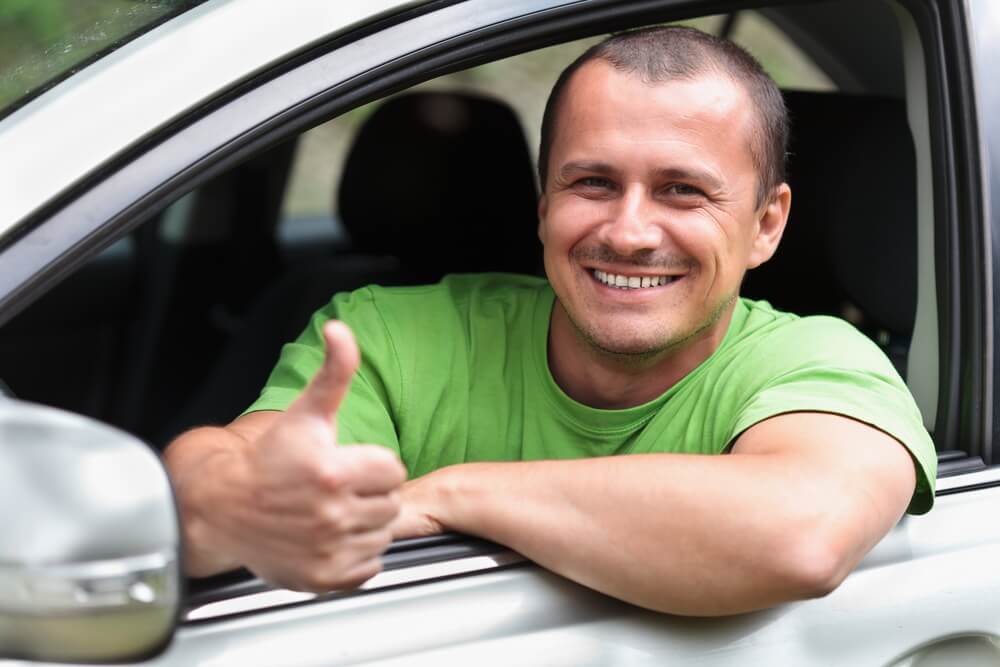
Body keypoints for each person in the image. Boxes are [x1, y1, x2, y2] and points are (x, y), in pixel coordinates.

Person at [164, 26, 936, 615]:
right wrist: (235, 502)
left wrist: (452, 494)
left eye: (682, 191)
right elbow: (214, 483)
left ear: (767, 224)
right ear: (544, 204)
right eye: (592, 182)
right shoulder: (387, 334)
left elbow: (797, 534)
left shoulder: (822, 361)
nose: (629, 231)